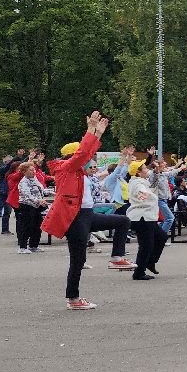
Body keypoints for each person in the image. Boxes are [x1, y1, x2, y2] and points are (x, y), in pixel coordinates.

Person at [43, 115, 136, 311]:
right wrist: (93, 132)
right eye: (82, 156)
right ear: (72, 155)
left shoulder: (79, 171)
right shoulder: (66, 168)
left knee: (123, 221)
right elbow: (83, 153)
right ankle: (73, 299)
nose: (89, 161)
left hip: (86, 215)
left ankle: (116, 258)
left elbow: (87, 152)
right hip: (75, 219)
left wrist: (96, 133)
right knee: (78, 260)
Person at [125, 159, 168, 282]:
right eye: (144, 168)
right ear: (138, 172)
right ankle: (139, 272)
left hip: (146, 217)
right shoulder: (138, 184)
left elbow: (152, 182)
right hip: (142, 218)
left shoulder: (141, 182)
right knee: (146, 245)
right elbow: (142, 196)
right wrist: (150, 196)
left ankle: (149, 262)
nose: (146, 170)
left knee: (161, 237)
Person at [13, 160, 47, 253]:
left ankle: (33, 246)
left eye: (34, 170)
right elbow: (27, 195)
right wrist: (38, 200)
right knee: (26, 226)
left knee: (38, 226)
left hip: (36, 207)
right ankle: (22, 247)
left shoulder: (34, 179)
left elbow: (41, 189)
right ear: (24, 172)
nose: (34, 172)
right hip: (26, 206)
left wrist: (50, 193)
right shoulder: (24, 182)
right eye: (31, 170)